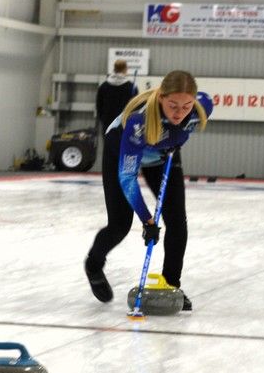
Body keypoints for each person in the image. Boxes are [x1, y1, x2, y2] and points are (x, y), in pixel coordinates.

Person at [84, 71, 212, 310]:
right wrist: (147, 220)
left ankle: (171, 285)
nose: (179, 113)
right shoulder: (138, 122)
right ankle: (93, 264)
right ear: (161, 98)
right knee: (120, 225)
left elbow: (189, 114)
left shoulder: (202, 107)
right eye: (173, 106)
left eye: (186, 106)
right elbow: (127, 178)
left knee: (177, 221)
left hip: (162, 155)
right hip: (121, 154)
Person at [96, 58, 138, 131]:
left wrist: (103, 119)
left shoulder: (103, 86)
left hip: (108, 124)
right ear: (125, 69)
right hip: (125, 124)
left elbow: (99, 106)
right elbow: (136, 107)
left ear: (114, 69)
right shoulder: (131, 87)